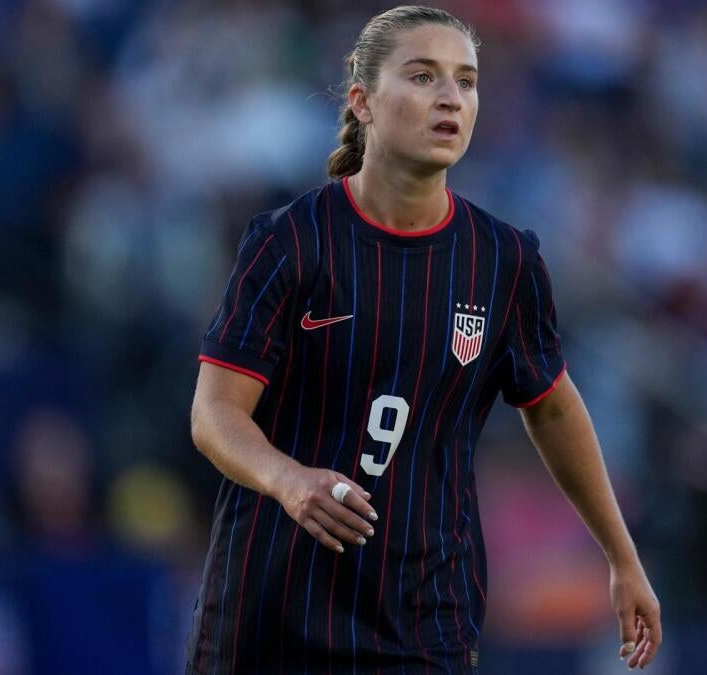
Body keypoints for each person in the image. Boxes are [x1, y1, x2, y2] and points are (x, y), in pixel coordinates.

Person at [185, 6, 660, 673]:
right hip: (271, 614)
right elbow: (214, 414)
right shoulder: (290, 242)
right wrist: (289, 481)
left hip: (423, 622)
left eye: (466, 81)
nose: (450, 97)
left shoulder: (503, 260)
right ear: (363, 102)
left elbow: (553, 408)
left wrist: (621, 557)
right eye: (422, 76)